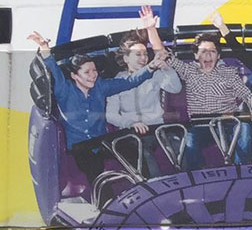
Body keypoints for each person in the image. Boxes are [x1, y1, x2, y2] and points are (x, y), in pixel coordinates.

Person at [28, 28, 168, 184]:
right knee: (93, 167)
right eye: (87, 72)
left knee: (133, 151)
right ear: (75, 76)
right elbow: (53, 70)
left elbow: (129, 82)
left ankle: (149, 186)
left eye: (94, 70)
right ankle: (103, 200)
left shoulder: (100, 87)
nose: (93, 75)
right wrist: (45, 49)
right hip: (79, 146)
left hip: (102, 142)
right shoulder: (65, 90)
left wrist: (150, 68)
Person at [168, 15, 252, 167]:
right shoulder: (190, 70)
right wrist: (222, 26)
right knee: (192, 139)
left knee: (246, 130)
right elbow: (238, 50)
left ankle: (242, 169)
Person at [106, 7, 185, 155]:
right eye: (138, 55)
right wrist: (131, 123)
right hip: (132, 131)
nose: (143, 58)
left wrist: (167, 69)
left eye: (145, 54)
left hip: (157, 128)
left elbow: (175, 88)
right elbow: (111, 115)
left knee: (178, 147)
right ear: (126, 58)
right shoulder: (117, 82)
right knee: (144, 153)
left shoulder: (154, 75)